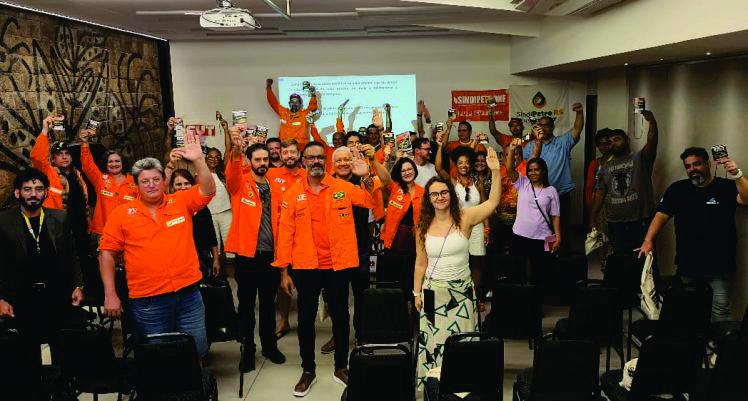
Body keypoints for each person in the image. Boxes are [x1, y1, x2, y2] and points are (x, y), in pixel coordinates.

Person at [99, 131, 216, 358]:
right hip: (148, 300)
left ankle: (192, 382)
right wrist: (110, 294)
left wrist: (198, 160)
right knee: (158, 357)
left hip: (188, 295)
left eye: (156, 180)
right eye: (145, 181)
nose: (151, 185)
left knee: (195, 352)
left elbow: (208, 190)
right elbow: (106, 253)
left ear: (164, 181)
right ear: (136, 185)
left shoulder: (180, 202)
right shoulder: (121, 214)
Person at [272, 141, 375, 396]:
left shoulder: (342, 187)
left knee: (341, 316)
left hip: (337, 265)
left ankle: (341, 366)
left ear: (325, 161)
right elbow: (285, 234)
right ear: (303, 161)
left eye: (320, 157)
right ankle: (308, 369)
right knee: (305, 320)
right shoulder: (293, 193)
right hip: (305, 266)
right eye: (311, 157)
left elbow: (368, 201)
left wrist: (366, 177)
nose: (316, 161)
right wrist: (283, 271)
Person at [413, 147, 501, 388]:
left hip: (461, 292)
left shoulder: (465, 218)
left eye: (444, 192)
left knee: (462, 341)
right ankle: (434, 387)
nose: (440, 197)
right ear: (428, 199)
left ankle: (460, 386)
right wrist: (416, 293)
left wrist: (496, 172)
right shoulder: (422, 227)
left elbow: (493, 202)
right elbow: (420, 263)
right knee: (434, 342)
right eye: (434, 194)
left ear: (451, 195)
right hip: (432, 292)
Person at [0, 169, 85, 399]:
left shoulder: (60, 217)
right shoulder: (4, 221)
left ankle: (63, 391)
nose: (33, 194)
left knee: (62, 349)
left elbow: (72, 255)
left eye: (38, 189)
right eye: (28, 189)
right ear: (17, 193)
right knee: (28, 354)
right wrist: (1, 298)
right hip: (21, 298)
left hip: (56, 295)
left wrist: (78, 285)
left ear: (46, 192)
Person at [637, 147, 747, 321]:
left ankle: (716, 340)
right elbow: (661, 215)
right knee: (689, 310)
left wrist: (737, 174)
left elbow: (746, 199)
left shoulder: (725, 186)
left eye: (697, 164)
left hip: (720, 265)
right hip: (688, 265)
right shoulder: (677, 189)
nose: (692, 169)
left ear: (708, 164)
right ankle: (695, 339)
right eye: (688, 166)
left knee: (719, 311)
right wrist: (648, 240)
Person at [224, 129, 287, 372]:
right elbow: (231, 173)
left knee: (269, 306)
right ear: (249, 161)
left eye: (265, 159)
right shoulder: (240, 183)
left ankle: (270, 347)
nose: (262, 163)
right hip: (247, 256)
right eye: (257, 159)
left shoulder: (275, 186)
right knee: (247, 307)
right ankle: (247, 351)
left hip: (270, 256)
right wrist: (236, 151)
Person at [590, 111, 659, 254]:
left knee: (645, 261)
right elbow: (599, 194)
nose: (613, 143)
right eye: (610, 142)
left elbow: (652, 143)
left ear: (627, 140)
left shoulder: (640, 158)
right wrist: (592, 218)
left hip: (641, 221)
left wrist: (652, 122)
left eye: (617, 139)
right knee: (622, 260)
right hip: (616, 223)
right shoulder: (604, 168)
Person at [521, 103, 584, 250]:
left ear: (553, 127)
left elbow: (577, 128)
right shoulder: (530, 146)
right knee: (541, 229)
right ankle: (545, 256)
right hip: (538, 197)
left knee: (561, 230)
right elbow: (525, 170)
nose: (543, 128)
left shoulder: (563, 142)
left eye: (546, 125)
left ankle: (560, 258)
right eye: (540, 125)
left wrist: (580, 113)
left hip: (561, 195)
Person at [31, 114, 90, 268]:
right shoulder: (48, 173)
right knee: (63, 265)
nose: (64, 157)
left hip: (80, 227)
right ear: (53, 159)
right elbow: (37, 158)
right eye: (59, 154)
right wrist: (45, 130)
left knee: (83, 263)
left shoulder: (77, 174)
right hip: (59, 231)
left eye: (67, 153)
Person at [367, 144, 424, 294]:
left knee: (409, 279)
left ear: (415, 170)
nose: (407, 173)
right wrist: (373, 160)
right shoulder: (395, 188)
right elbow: (385, 178)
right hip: (393, 241)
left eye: (409, 169)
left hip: (413, 243)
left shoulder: (423, 193)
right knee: (390, 281)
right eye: (403, 171)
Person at [435, 133, 488, 291]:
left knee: (477, 263)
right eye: (460, 163)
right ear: (456, 166)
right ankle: (459, 293)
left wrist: (487, 228)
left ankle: (475, 295)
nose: (464, 165)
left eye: (467, 163)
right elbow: (438, 168)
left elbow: (485, 206)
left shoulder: (478, 183)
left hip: (477, 227)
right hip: (458, 227)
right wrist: (440, 146)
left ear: (470, 165)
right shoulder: (452, 182)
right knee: (459, 261)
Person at [266, 138, 307, 339]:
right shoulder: (271, 174)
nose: (289, 156)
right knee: (281, 281)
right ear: (280, 155)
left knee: (306, 282)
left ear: (298, 154)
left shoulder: (308, 175)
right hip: (279, 237)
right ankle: (283, 320)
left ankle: (306, 321)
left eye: (292, 152)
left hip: (305, 237)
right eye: (285, 152)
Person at [506, 138, 560, 283]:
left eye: (536, 170)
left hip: (543, 237)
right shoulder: (522, 183)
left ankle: (538, 296)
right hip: (519, 235)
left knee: (542, 272)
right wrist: (512, 150)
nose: (533, 173)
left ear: (543, 171)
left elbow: (555, 215)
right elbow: (509, 169)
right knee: (518, 272)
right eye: (530, 170)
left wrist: (558, 236)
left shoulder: (551, 191)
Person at [78, 128, 138, 242]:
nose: (114, 164)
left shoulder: (133, 182)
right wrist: (84, 143)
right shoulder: (100, 180)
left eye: (117, 161)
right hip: (105, 233)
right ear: (106, 164)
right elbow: (87, 166)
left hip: (129, 232)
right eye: (110, 161)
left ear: (123, 163)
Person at [170, 169, 220, 281]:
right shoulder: (168, 210)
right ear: (171, 187)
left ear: (192, 185)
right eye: (178, 184)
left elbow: (211, 235)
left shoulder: (202, 208)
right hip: (179, 264)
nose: (183, 187)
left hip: (202, 261)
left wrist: (216, 259)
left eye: (186, 183)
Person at [584, 129, 614, 266]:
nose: (604, 146)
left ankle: (614, 263)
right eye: (601, 144)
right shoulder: (595, 163)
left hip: (615, 204)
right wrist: (590, 209)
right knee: (602, 235)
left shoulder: (618, 160)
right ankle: (604, 263)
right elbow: (589, 187)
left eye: (607, 143)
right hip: (599, 206)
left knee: (614, 236)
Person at [265, 78, 318, 149]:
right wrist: (269, 88)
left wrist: (313, 95)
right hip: (285, 148)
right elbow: (272, 102)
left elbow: (313, 107)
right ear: (289, 104)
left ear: (300, 104)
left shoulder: (304, 114)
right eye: (292, 102)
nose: (294, 104)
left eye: (296, 102)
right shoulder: (284, 112)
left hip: (300, 148)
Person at [201, 147, 233, 263]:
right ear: (205, 159)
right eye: (210, 157)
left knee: (230, 245)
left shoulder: (223, 173)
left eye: (216, 157)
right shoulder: (200, 174)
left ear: (220, 160)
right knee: (214, 247)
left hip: (226, 212)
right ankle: (216, 270)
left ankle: (232, 271)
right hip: (210, 215)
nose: (213, 159)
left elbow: (228, 151)